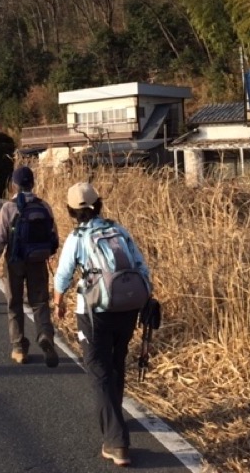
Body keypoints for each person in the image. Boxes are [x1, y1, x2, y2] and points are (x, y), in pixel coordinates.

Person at [52, 182, 152, 468]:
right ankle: (115, 418)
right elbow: (141, 265)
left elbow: (63, 274)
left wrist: (58, 302)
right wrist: (145, 298)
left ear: (72, 211)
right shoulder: (119, 230)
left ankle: (116, 441)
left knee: (98, 369)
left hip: (95, 310)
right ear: (98, 205)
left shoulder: (78, 237)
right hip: (128, 305)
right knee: (117, 362)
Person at [0, 165, 60, 367]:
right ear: (33, 183)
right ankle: (45, 335)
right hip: (38, 261)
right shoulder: (44, 206)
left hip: (15, 261)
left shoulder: (9, 208)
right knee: (40, 302)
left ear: (14, 185)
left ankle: (19, 348)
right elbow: (54, 238)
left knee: (15, 303)